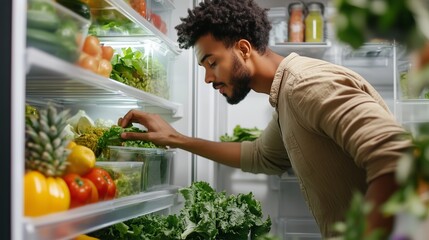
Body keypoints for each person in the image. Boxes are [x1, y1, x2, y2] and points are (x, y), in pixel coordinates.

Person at [117, 0, 412, 238]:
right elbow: (261, 156)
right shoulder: (286, 96)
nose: (207, 78)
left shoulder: (305, 85)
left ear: (244, 50)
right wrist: (175, 139)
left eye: (212, 63)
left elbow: (397, 158)